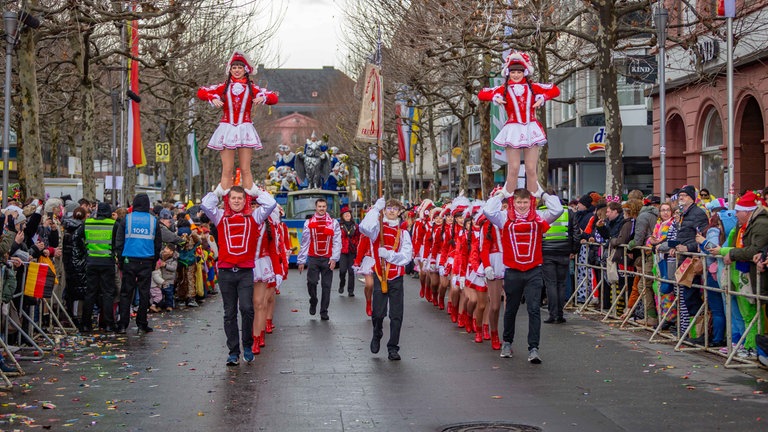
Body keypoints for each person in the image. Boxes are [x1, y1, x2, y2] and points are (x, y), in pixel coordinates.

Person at [484, 188, 563, 363]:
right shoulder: (504, 217)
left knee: (534, 309)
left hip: (534, 270)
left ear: (531, 202)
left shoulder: (538, 217)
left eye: (525, 202)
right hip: (512, 271)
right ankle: (507, 342)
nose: (522, 206)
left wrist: (543, 195)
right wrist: (501, 195)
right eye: (519, 202)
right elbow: (488, 211)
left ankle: (533, 348)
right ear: (513, 202)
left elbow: (558, 210)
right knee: (511, 309)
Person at [201, 185, 276, 365]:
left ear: (245, 200)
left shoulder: (254, 217)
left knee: (247, 309)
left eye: (240, 198)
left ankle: (248, 345)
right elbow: (205, 205)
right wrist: (219, 192)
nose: (236, 201)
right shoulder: (220, 216)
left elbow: (271, 204)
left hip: (245, 272)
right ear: (228, 200)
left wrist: (256, 192)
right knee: (229, 313)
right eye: (233, 198)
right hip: (226, 271)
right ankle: (233, 352)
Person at [477, 51, 560, 194]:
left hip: (530, 128)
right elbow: (482, 93)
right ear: (508, 73)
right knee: (513, 168)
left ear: (525, 72)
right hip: (513, 129)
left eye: (519, 72)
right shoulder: (503, 89)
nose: (516, 75)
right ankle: (509, 202)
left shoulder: (533, 87)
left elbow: (555, 90)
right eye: (513, 72)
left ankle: (533, 203)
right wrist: (495, 98)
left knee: (530, 169)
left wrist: (542, 98)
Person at [197, 52, 278, 197]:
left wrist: (263, 97)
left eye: (240, 67)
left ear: (245, 69)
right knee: (227, 169)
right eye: (234, 67)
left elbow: (273, 97)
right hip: (227, 128)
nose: (237, 70)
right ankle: (227, 201)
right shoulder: (224, 87)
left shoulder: (252, 88)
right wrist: (212, 97)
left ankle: (246, 201)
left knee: (245, 168)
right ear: (230, 69)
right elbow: (201, 91)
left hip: (244, 128)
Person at [359, 197, 413, 361]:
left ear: (399, 212)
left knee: (396, 315)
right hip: (379, 275)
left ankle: (393, 347)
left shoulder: (403, 234)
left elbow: (406, 257)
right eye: (388, 208)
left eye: (395, 209)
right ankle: (377, 333)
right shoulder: (377, 229)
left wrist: (389, 255)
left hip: (396, 278)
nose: (391, 211)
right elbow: (364, 227)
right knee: (378, 313)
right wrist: (375, 209)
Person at [114, 193, 163, 334]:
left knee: (126, 294)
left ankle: (123, 324)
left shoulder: (126, 220)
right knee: (144, 293)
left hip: (129, 260)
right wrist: (154, 261)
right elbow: (157, 244)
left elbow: (119, 242)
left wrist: (121, 260)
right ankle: (142, 323)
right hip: (146, 261)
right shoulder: (153, 221)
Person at [297, 198, 341, 320]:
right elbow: (305, 242)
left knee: (326, 286)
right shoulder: (309, 222)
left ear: (326, 208)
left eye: (324, 206)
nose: (321, 208)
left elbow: (337, 242)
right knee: (312, 282)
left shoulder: (333, 223)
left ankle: (324, 311)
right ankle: (313, 300)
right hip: (313, 258)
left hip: (327, 258)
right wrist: (301, 260)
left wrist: (334, 258)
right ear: (316, 208)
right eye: (319, 206)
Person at [541, 192, 579, 324]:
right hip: (564, 251)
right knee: (561, 284)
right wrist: (574, 250)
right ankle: (560, 314)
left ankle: (553, 314)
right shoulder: (569, 213)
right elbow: (575, 233)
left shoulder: (541, 212)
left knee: (550, 284)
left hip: (546, 251)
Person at [82, 203, 119, 333]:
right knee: (108, 293)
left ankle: (86, 324)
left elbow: (78, 238)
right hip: (107, 262)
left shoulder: (88, 223)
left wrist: (86, 252)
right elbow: (118, 242)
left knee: (90, 293)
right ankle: (108, 324)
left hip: (91, 261)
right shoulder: (113, 224)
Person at [338, 206, 360, 296]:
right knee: (342, 270)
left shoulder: (356, 226)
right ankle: (342, 284)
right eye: (345, 214)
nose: (347, 215)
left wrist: (357, 247)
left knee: (351, 272)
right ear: (342, 216)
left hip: (352, 251)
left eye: (348, 214)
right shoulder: (339, 226)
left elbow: (359, 238)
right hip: (343, 251)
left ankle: (351, 291)